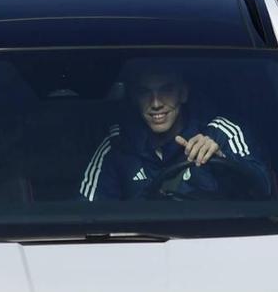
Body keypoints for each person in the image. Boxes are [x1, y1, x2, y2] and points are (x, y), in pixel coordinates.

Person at [80, 62, 267, 202]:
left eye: (166, 90)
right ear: (135, 99)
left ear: (183, 93)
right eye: (145, 92)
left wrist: (222, 158)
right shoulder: (117, 144)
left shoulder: (221, 132)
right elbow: (88, 213)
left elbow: (264, 187)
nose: (156, 103)